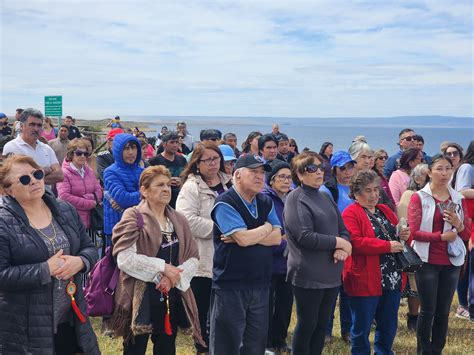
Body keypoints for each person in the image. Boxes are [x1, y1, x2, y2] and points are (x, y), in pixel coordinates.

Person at [0, 155, 99, 354]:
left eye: (37, 174)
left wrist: (80, 262)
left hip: (72, 317)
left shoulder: (65, 209)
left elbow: (89, 247)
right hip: (28, 328)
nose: (34, 180)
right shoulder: (3, 223)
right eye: (24, 179)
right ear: (8, 190)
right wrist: (44, 270)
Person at [110, 165, 205, 354]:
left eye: (168, 185)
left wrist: (171, 278)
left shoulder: (178, 219)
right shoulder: (133, 216)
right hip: (140, 296)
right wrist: (162, 268)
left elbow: (193, 257)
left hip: (172, 293)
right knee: (135, 349)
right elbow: (125, 258)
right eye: (160, 185)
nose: (166, 189)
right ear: (144, 190)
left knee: (167, 347)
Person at [209, 154, 282, 355]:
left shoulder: (265, 201)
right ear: (238, 175)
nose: (260, 177)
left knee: (255, 343)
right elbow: (242, 239)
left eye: (262, 173)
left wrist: (250, 235)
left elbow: (277, 238)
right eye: (254, 172)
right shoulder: (225, 202)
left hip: (260, 282)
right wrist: (266, 228)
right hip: (231, 284)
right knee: (227, 343)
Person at [284, 151, 352, 355]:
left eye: (321, 167)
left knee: (321, 326)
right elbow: (305, 236)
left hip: (330, 273)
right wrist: (338, 242)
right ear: (300, 173)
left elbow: (343, 229)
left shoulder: (324, 195)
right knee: (307, 325)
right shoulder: (295, 198)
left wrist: (342, 245)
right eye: (312, 169)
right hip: (308, 273)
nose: (318, 172)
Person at [408, 154, 471, 354]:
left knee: (443, 312)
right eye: (439, 169)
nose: (444, 174)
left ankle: (436, 350)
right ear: (429, 172)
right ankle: (423, 350)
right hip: (427, 259)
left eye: (448, 169)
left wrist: (459, 224)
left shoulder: (458, 198)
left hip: (451, 261)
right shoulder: (419, 197)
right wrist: (440, 237)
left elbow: (467, 233)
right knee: (428, 310)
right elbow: (414, 232)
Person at [342, 169, 410, 355]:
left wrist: (403, 234)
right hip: (365, 278)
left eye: (376, 190)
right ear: (356, 193)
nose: (374, 195)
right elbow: (355, 243)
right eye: (368, 190)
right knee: (362, 327)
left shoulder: (385, 209)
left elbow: (395, 234)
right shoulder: (351, 213)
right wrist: (386, 246)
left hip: (391, 277)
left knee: (388, 325)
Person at [176, 143, 232, 354]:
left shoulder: (229, 183)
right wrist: (221, 230)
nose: (212, 163)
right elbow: (186, 220)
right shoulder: (192, 187)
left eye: (216, 159)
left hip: (228, 254)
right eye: (207, 160)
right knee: (202, 308)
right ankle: (202, 347)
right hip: (203, 257)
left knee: (224, 308)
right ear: (196, 164)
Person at [319, 151, 356, 342]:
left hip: (354, 246)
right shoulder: (328, 191)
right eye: (343, 168)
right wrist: (338, 244)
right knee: (331, 292)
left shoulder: (356, 188)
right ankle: (325, 331)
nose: (348, 172)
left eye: (351, 167)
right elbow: (327, 220)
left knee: (349, 291)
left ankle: (348, 330)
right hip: (335, 245)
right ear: (334, 169)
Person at [262, 160, 293, 353]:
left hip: (289, 262)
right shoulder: (265, 199)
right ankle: (265, 342)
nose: (286, 181)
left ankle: (280, 339)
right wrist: (283, 240)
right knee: (266, 304)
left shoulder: (292, 198)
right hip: (269, 260)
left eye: (289, 177)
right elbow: (267, 232)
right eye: (281, 176)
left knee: (285, 303)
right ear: (272, 180)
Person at [396, 163, 429, 330]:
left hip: (431, 245)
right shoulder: (409, 194)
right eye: (425, 175)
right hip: (414, 246)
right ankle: (413, 318)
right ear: (416, 178)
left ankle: (422, 318)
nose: (429, 178)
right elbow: (403, 222)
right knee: (414, 284)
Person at [3, 108, 64, 185]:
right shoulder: (12, 147)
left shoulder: (47, 148)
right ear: (22, 126)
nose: (36, 129)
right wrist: (46, 170)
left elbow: (59, 175)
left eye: (39, 125)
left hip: (47, 196)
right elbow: (15, 179)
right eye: (32, 124)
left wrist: (32, 177)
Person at [103, 133, 143, 248]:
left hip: (138, 225)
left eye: (133, 147)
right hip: (117, 227)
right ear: (118, 150)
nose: (130, 152)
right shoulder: (110, 172)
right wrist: (147, 193)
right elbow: (123, 199)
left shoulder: (142, 171)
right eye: (126, 148)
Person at [57, 138, 102, 231]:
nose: (82, 156)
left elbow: (98, 190)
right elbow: (64, 197)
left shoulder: (88, 170)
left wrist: (87, 197)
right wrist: (89, 202)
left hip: (91, 221)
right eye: (78, 153)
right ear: (71, 153)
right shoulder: (64, 173)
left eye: (85, 154)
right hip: (72, 222)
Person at [451, 140, 474, 321]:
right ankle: (464, 305)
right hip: (466, 219)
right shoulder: (467, 167)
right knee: (465, 265)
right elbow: (462, 191)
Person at [149, 131, 187, 209]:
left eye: (177, 142)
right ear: (164, 144)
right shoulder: (154, 161)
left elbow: (187, 176)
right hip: (162, 201)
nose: (175, 145)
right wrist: (167, 181)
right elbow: (149, 181)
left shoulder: (182, 159)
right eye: (172, 142)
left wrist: (181, 181)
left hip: (180, 200)